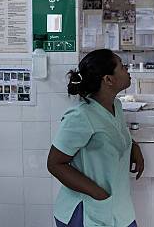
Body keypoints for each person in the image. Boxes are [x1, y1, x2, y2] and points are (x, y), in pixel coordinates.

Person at [48, 49, 145, 227]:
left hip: (118, 210)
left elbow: (112, 135)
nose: (127, 69)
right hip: (88, 212)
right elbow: (55, 163)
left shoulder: (115, 105)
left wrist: (133, 147)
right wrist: (98, 193)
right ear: (108, 79)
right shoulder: (80, 116)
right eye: (122, 67)